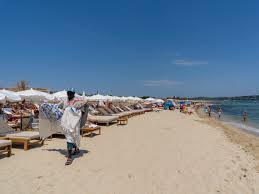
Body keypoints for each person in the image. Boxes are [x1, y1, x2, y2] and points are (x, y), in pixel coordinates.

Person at [59, 88, 87, 165]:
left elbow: (85, 104)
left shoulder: (78, 100)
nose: (69, 94)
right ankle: (71, 154)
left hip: (75, 123)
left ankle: (73, 153)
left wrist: (74, 110)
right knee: (69, 137)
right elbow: (59, 106)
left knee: (74, 136)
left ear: (74, 93)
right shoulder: (65, 100)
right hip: (67, 122)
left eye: (70, 93)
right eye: (68, 93)